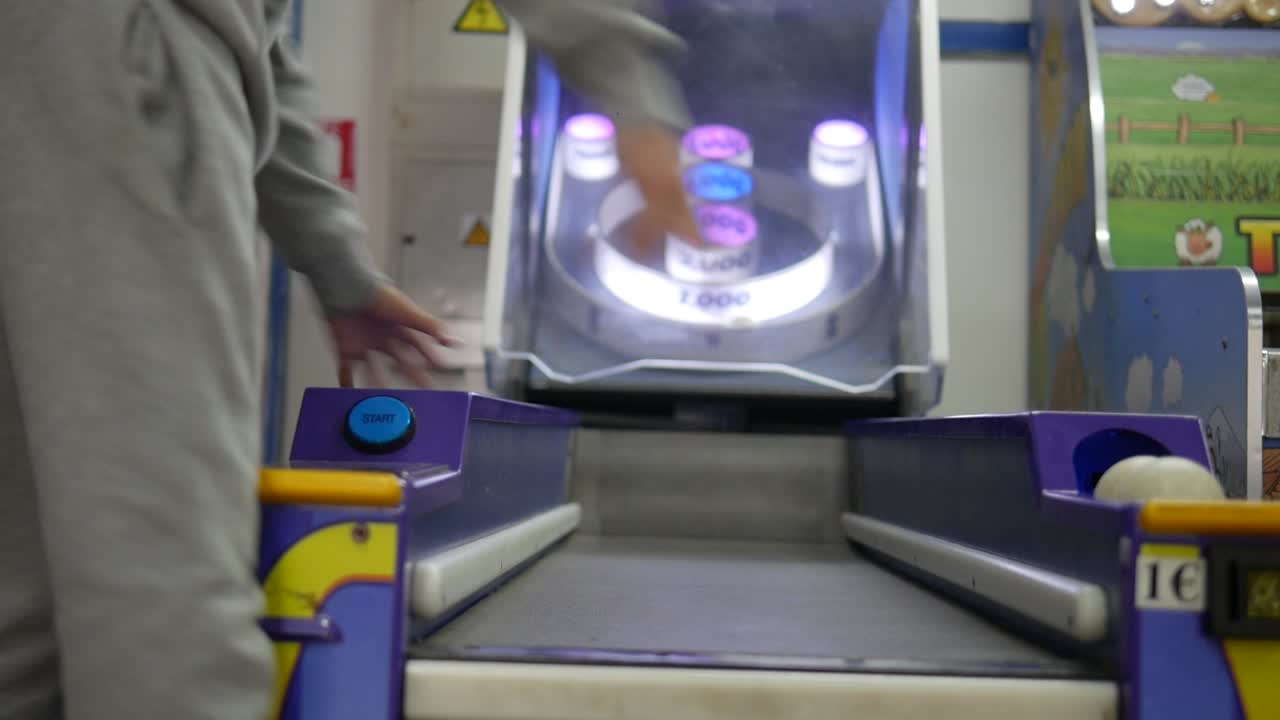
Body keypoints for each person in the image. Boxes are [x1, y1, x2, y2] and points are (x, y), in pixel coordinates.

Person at [0, 1, 693, 718]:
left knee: (22, 589)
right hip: (117, 66)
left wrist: (335, 261)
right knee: (158, 566)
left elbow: (256, 51)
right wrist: (627, 85)